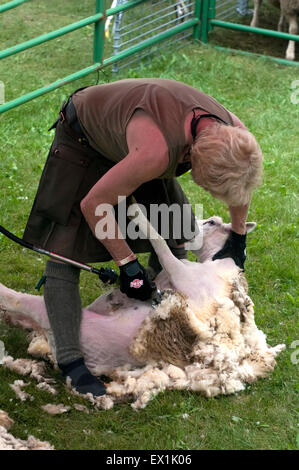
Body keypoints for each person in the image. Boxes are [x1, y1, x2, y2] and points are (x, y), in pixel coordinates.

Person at [23, 78, 263, 396]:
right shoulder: (155, 152)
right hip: (85, 141)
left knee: (179, 228)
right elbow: (94, 205)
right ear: (191, 161)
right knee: (66, 250)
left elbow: (240, 184)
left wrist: (237, 235)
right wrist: (128, 264)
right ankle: (71, 361)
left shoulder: (235, 138)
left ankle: (155, 319)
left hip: (140, 143)